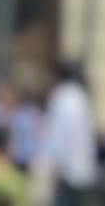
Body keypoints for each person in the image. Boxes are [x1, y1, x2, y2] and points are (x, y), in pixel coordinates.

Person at [32, 58, 99, 201]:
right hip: (82, 168)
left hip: (65, 171)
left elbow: (59, 136)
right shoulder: (81, 97)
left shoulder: (62, 98)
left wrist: (54, 162)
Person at [0, 78, 41, 168]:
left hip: (17, 165)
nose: (6, 99)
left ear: (16, 97)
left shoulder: (26, 119)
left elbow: (31, 149)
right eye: (3, 96)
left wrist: (11, 155)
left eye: (9, 96)